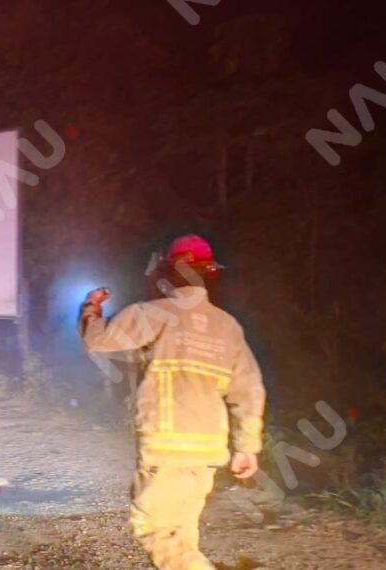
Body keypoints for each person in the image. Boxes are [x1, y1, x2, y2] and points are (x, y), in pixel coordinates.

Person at [78, 235, 266, 570]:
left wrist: (91, 307)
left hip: (166, 445)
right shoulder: (228, 327)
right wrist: (247, 447)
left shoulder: (153, 314)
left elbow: (97, 340)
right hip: (208, 449)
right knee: (181, 534)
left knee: (154, 529)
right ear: (210, 274)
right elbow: (249, 389)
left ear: (168, 272)